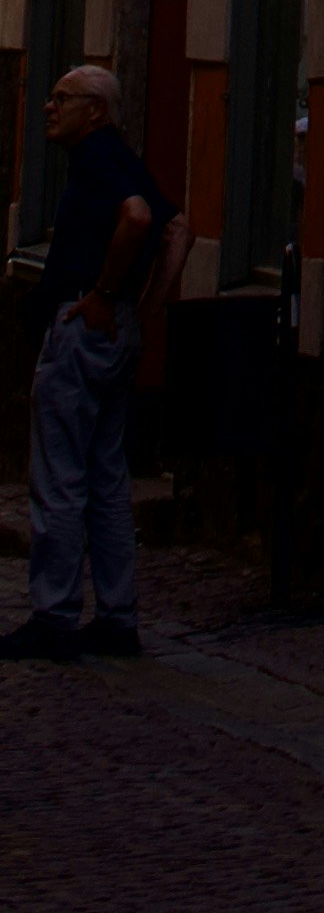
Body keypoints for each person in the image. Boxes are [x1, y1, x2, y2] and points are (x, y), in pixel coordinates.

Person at [12, 62, 164, 660]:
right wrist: (142, 311)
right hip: (113, 329)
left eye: (63, 98)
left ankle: (54, 616)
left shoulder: (99, 160)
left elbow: (141, 218)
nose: (51, 107)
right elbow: (176, 231)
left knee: (61, 478)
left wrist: (103, 293)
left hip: (83, 323)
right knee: (106, 478)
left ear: (95, 111)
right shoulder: (125, 159)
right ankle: (117, 615)